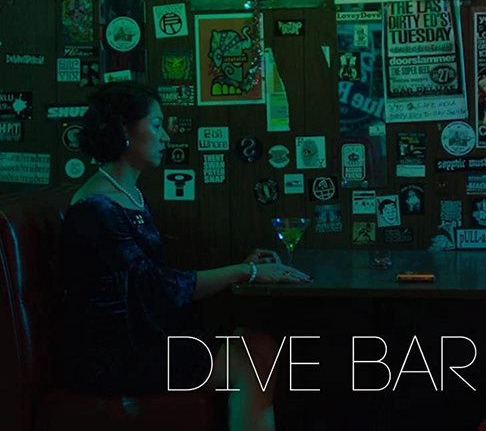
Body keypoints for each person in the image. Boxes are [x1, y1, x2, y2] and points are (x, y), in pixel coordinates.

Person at [56, 81, 311, 431]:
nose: (166, 137)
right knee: (251, 361)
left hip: (144, 335)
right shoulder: (96, 206)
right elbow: (154, 287)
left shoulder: (128, 194)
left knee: (261, 343)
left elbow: (153, 280)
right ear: (124, 130)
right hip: (110, 353)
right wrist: (245, 271)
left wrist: (244, 266)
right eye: (156, 125)